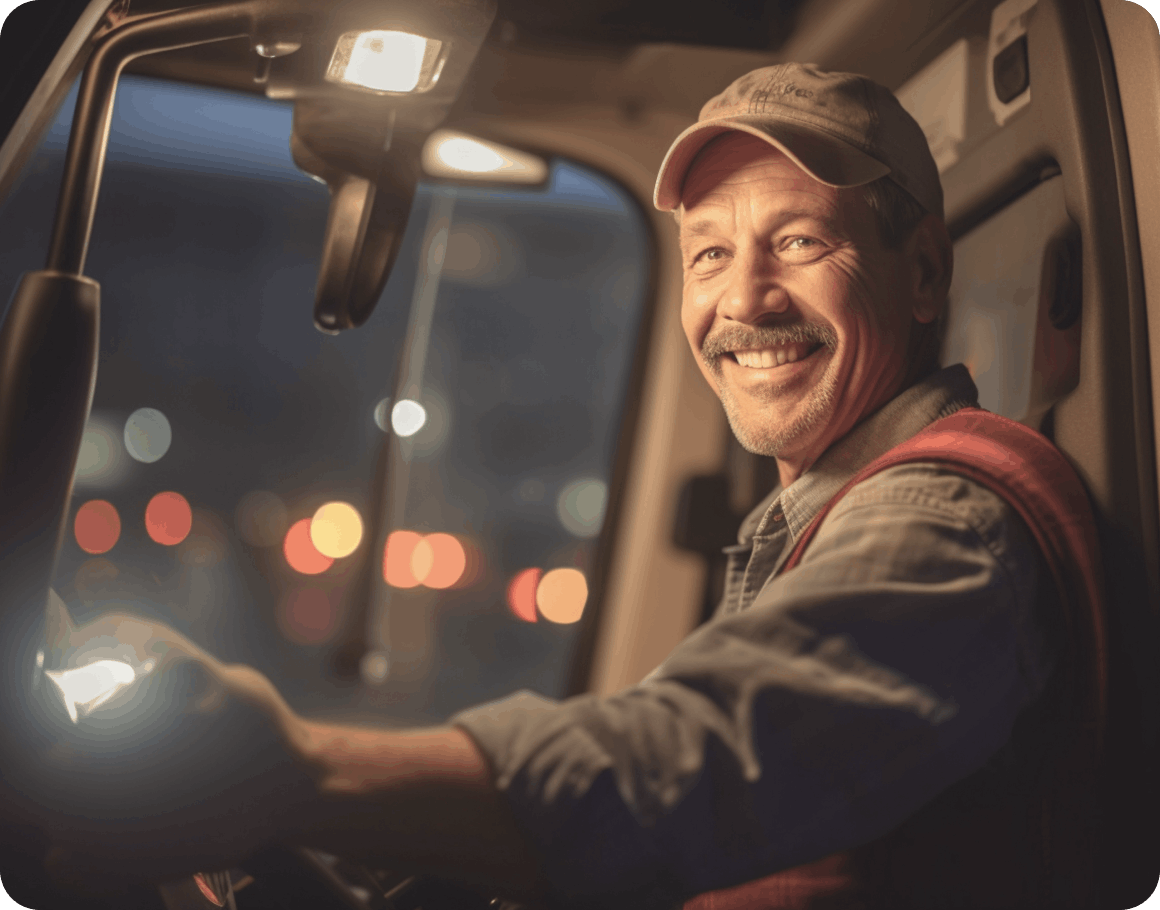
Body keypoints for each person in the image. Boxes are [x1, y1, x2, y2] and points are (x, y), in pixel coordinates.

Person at [29, 64, 1079, 909]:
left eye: (799, 241)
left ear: (924, 272)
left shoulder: (945, 517)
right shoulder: (816, 521)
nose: (744, 299)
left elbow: (690, 764)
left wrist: (292, 773)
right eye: (710, 254)